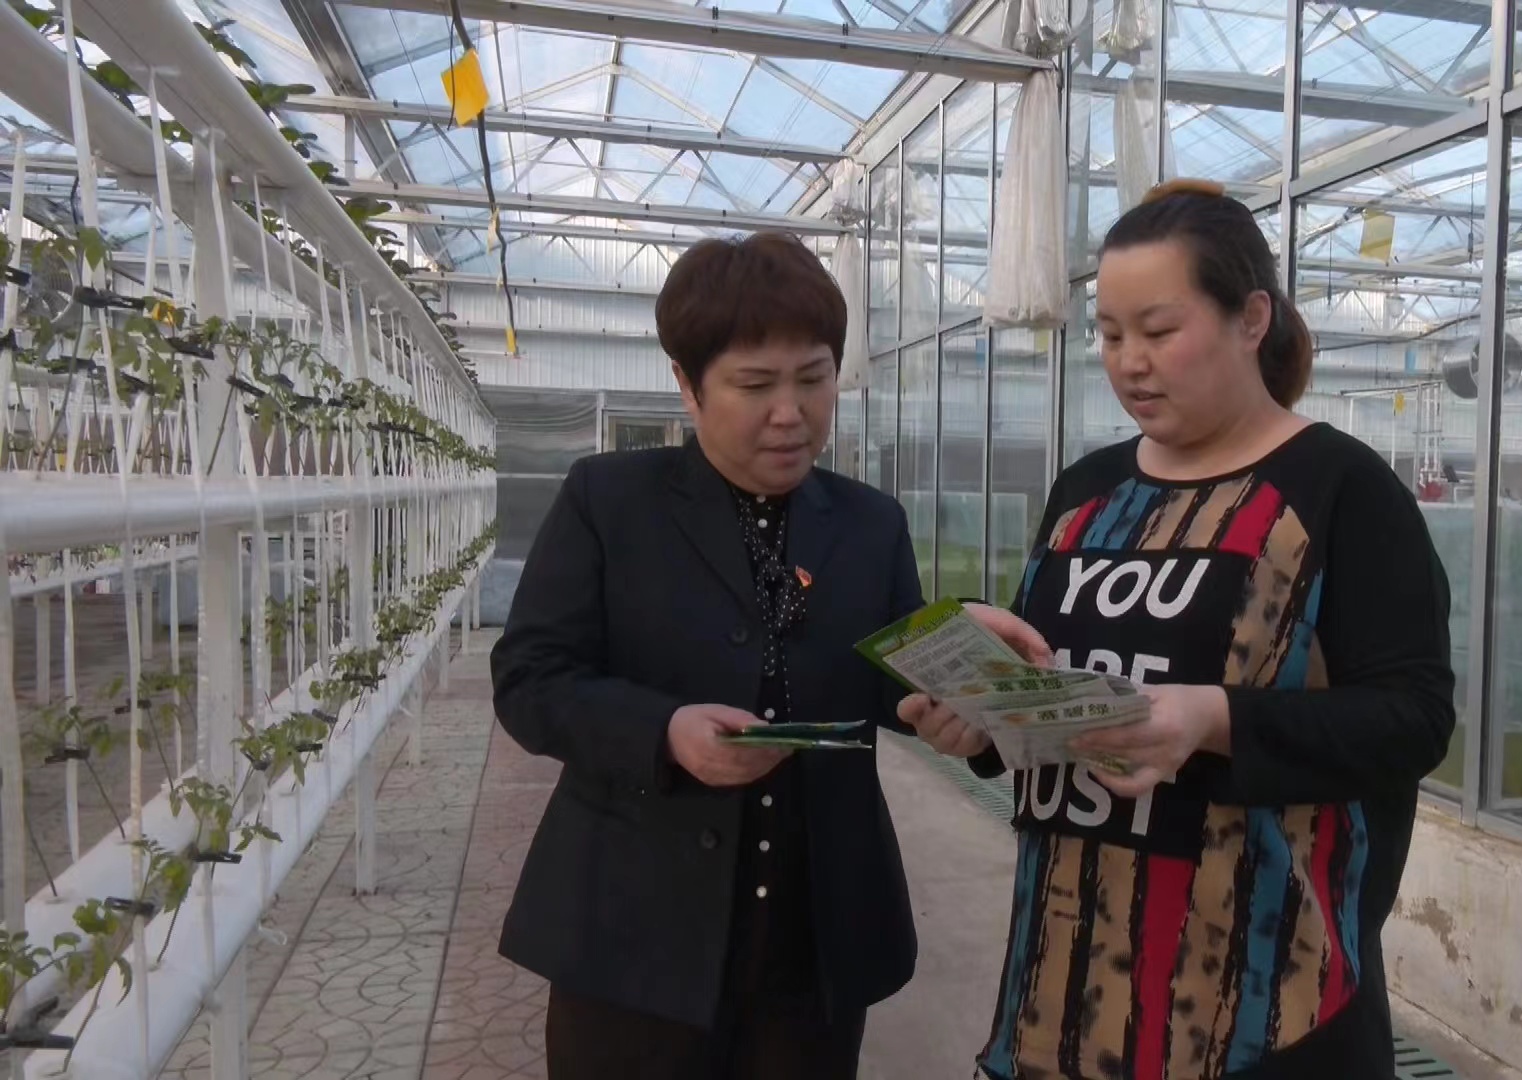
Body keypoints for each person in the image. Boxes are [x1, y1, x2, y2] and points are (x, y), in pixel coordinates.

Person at [901, 179, 1457, 1079]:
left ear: (1251, 319)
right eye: (1111, 334)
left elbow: (1413, 718)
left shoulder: (1339, 492)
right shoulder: (1086, 494)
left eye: (1159, 331)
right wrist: (983, 720)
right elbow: (1057, 697)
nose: (1130, 362)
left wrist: (1212, 718)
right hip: (1063, 988)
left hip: (1265, 1006)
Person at [491, 231, 937, 1079]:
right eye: (755, 385)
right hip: (635, 932)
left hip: (812, 935)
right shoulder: (609, 502)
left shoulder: (870, 522)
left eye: (814, 378)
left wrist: (948, 697)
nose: (791, 412)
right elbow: (530, 680)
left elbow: (892, 676)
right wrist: (663, 731)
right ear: (687, 385)